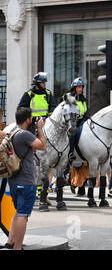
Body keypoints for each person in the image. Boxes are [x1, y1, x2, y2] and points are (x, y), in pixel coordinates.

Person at [5, 107, 46, 250]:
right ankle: (17, 247)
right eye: (32, 118)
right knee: (23, 215)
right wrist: (40, 129)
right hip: (26, 181)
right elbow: (43, 146)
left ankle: (10, 242)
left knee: (18, 212)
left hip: (14, 181)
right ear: (28, 119)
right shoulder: (24, 135)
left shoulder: (12, 132)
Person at [67, 77, 89, 163]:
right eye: (79, 87)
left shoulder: (83, 99)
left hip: (82, 121)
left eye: (81, 87)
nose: (81, 89)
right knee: (72, 133)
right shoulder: (69, 98)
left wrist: (86, 119)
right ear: (74, 88)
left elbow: (86, 111)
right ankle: (71, 153)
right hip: (72, 121)